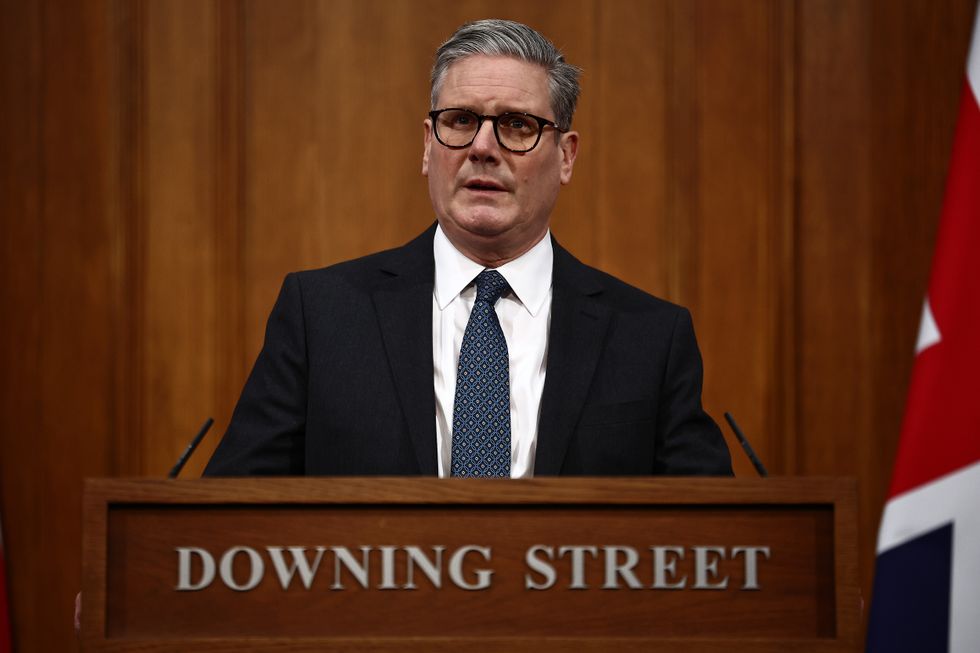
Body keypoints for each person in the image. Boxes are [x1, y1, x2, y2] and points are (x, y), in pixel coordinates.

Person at [204, 19, 732, 478]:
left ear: (566, 156)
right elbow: (228, 518)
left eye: (517, 125)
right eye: (460, 121)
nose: (482, 147)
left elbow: (716, 538)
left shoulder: (650, 337)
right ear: (428, 147)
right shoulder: (321, 314)